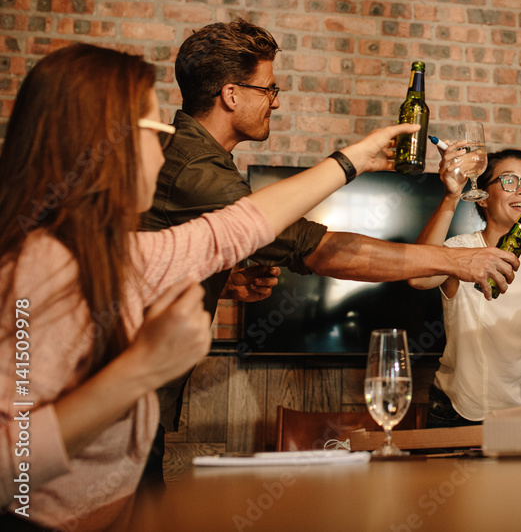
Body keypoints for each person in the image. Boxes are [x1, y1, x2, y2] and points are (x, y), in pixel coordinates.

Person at [0, 43, 420, 529]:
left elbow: (236, 229)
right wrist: (141, 369)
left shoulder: (118, 254)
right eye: (156, 131)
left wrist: (353, 160)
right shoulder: (36, 269)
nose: (165, 151)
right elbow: (13, 465)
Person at [140, 19, 518, 472]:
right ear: (231, 94)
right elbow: (318, 248)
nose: (276, 102)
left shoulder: (196, 159)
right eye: (269, 89)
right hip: (126, 404)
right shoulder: (197, 172)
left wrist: (222, 282)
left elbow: (154, 264)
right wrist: (459, 260)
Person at [408, 147, 521, 425]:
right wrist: (451, 197)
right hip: (454, 411)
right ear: (483, 198)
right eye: (509, 181)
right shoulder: (460, 249)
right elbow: (417, 277)